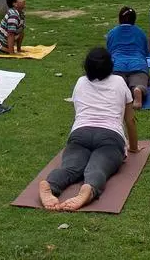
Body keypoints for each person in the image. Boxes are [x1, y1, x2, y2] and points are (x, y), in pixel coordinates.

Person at [38, 47, 139, 211]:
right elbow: (130, 120)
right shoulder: (120, 82)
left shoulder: (80, 82)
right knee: (98, 168)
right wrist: (133, 147)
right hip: (110, 136)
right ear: (110, 65)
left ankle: (50, 184)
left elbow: (78, 112)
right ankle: (89, 188)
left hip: (80, 133)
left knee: (70, 167)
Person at [106, 6, 150, 109]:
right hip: (138, 64)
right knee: (139, 82)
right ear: (134, 20)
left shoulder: (112, 33)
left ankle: (118, 94)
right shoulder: (140, 32)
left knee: (116, 84)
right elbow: (145, 54)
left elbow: (109, 52)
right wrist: (147, 78)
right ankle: (138, 90)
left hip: (117, 65)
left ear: (119, 19)